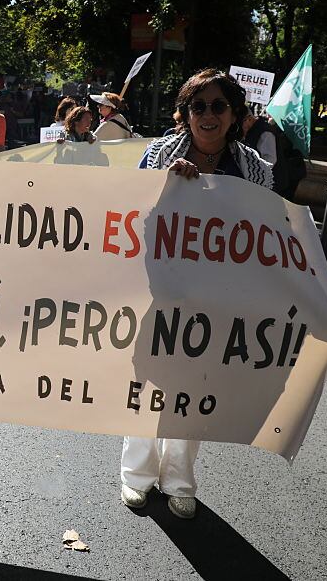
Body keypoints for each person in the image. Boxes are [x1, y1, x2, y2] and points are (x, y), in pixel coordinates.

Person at [121, 69, 272, 520]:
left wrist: (316, 298)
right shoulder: (158, 155)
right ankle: (136, 476)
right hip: (157, 292)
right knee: (146, 380)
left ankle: (179, 479)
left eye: (217, 106)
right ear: (185, 114)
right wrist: (164, 184)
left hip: (216, 302)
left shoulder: (254, 172)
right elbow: (130, 213)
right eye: (197, 106)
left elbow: (273, 240)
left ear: (234, 115)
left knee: (193, 386)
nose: (207, 115)